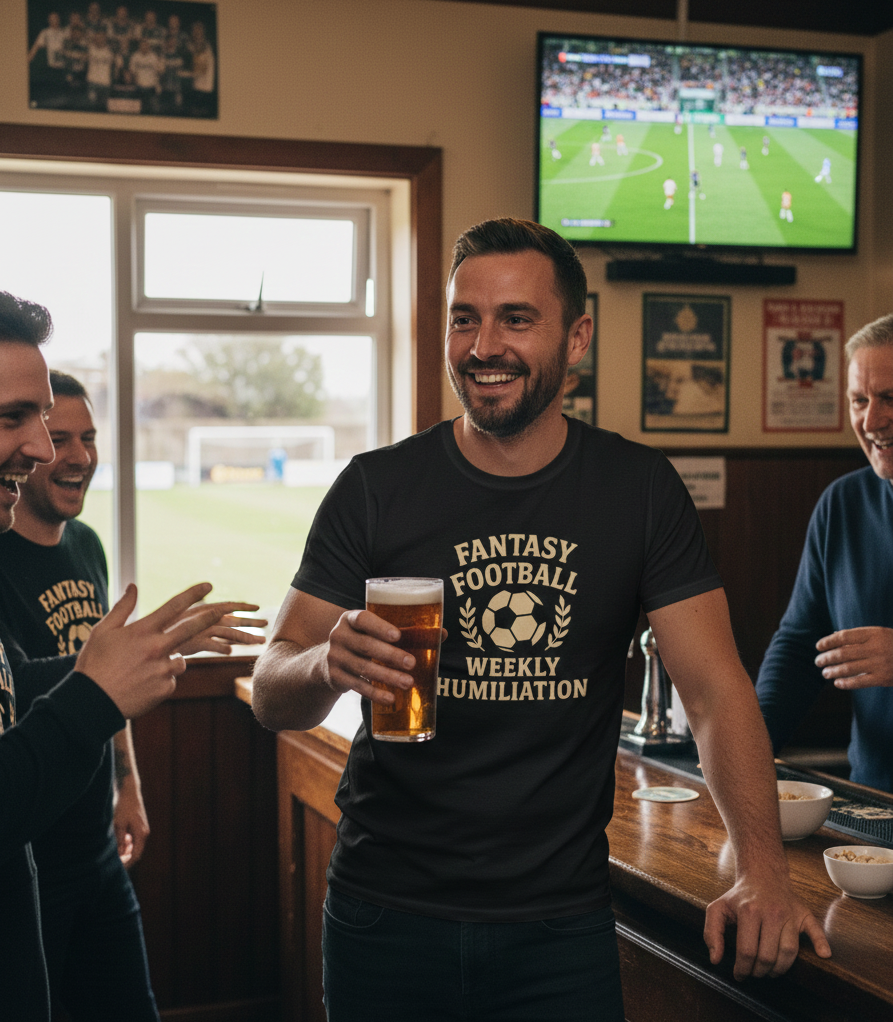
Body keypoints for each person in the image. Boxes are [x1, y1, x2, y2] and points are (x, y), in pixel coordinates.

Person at [252, 218, 830, 1021]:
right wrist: (323, 665)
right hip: (385, 912)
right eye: (464, 318)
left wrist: (761, 871)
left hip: (558, 926)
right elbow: (268, 688)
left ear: (577, 335)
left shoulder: (638, 489)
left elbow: (713, 692)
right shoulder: (376, 487)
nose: (483, 345)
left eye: (515, 319)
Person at [0, 290, 262, 1021]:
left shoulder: (85, 546)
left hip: (85, 857)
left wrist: (128, 775)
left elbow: (48, 684)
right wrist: (102, 679)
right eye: (14, 418)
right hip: (40, 856)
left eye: (77, 435)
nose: (54, 451)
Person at [756, 314, 893, 791]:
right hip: (874, 798)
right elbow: (801, 646)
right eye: (860, 400)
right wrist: (747, 750)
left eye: (890, 398)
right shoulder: (843, 503)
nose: (871, 420)